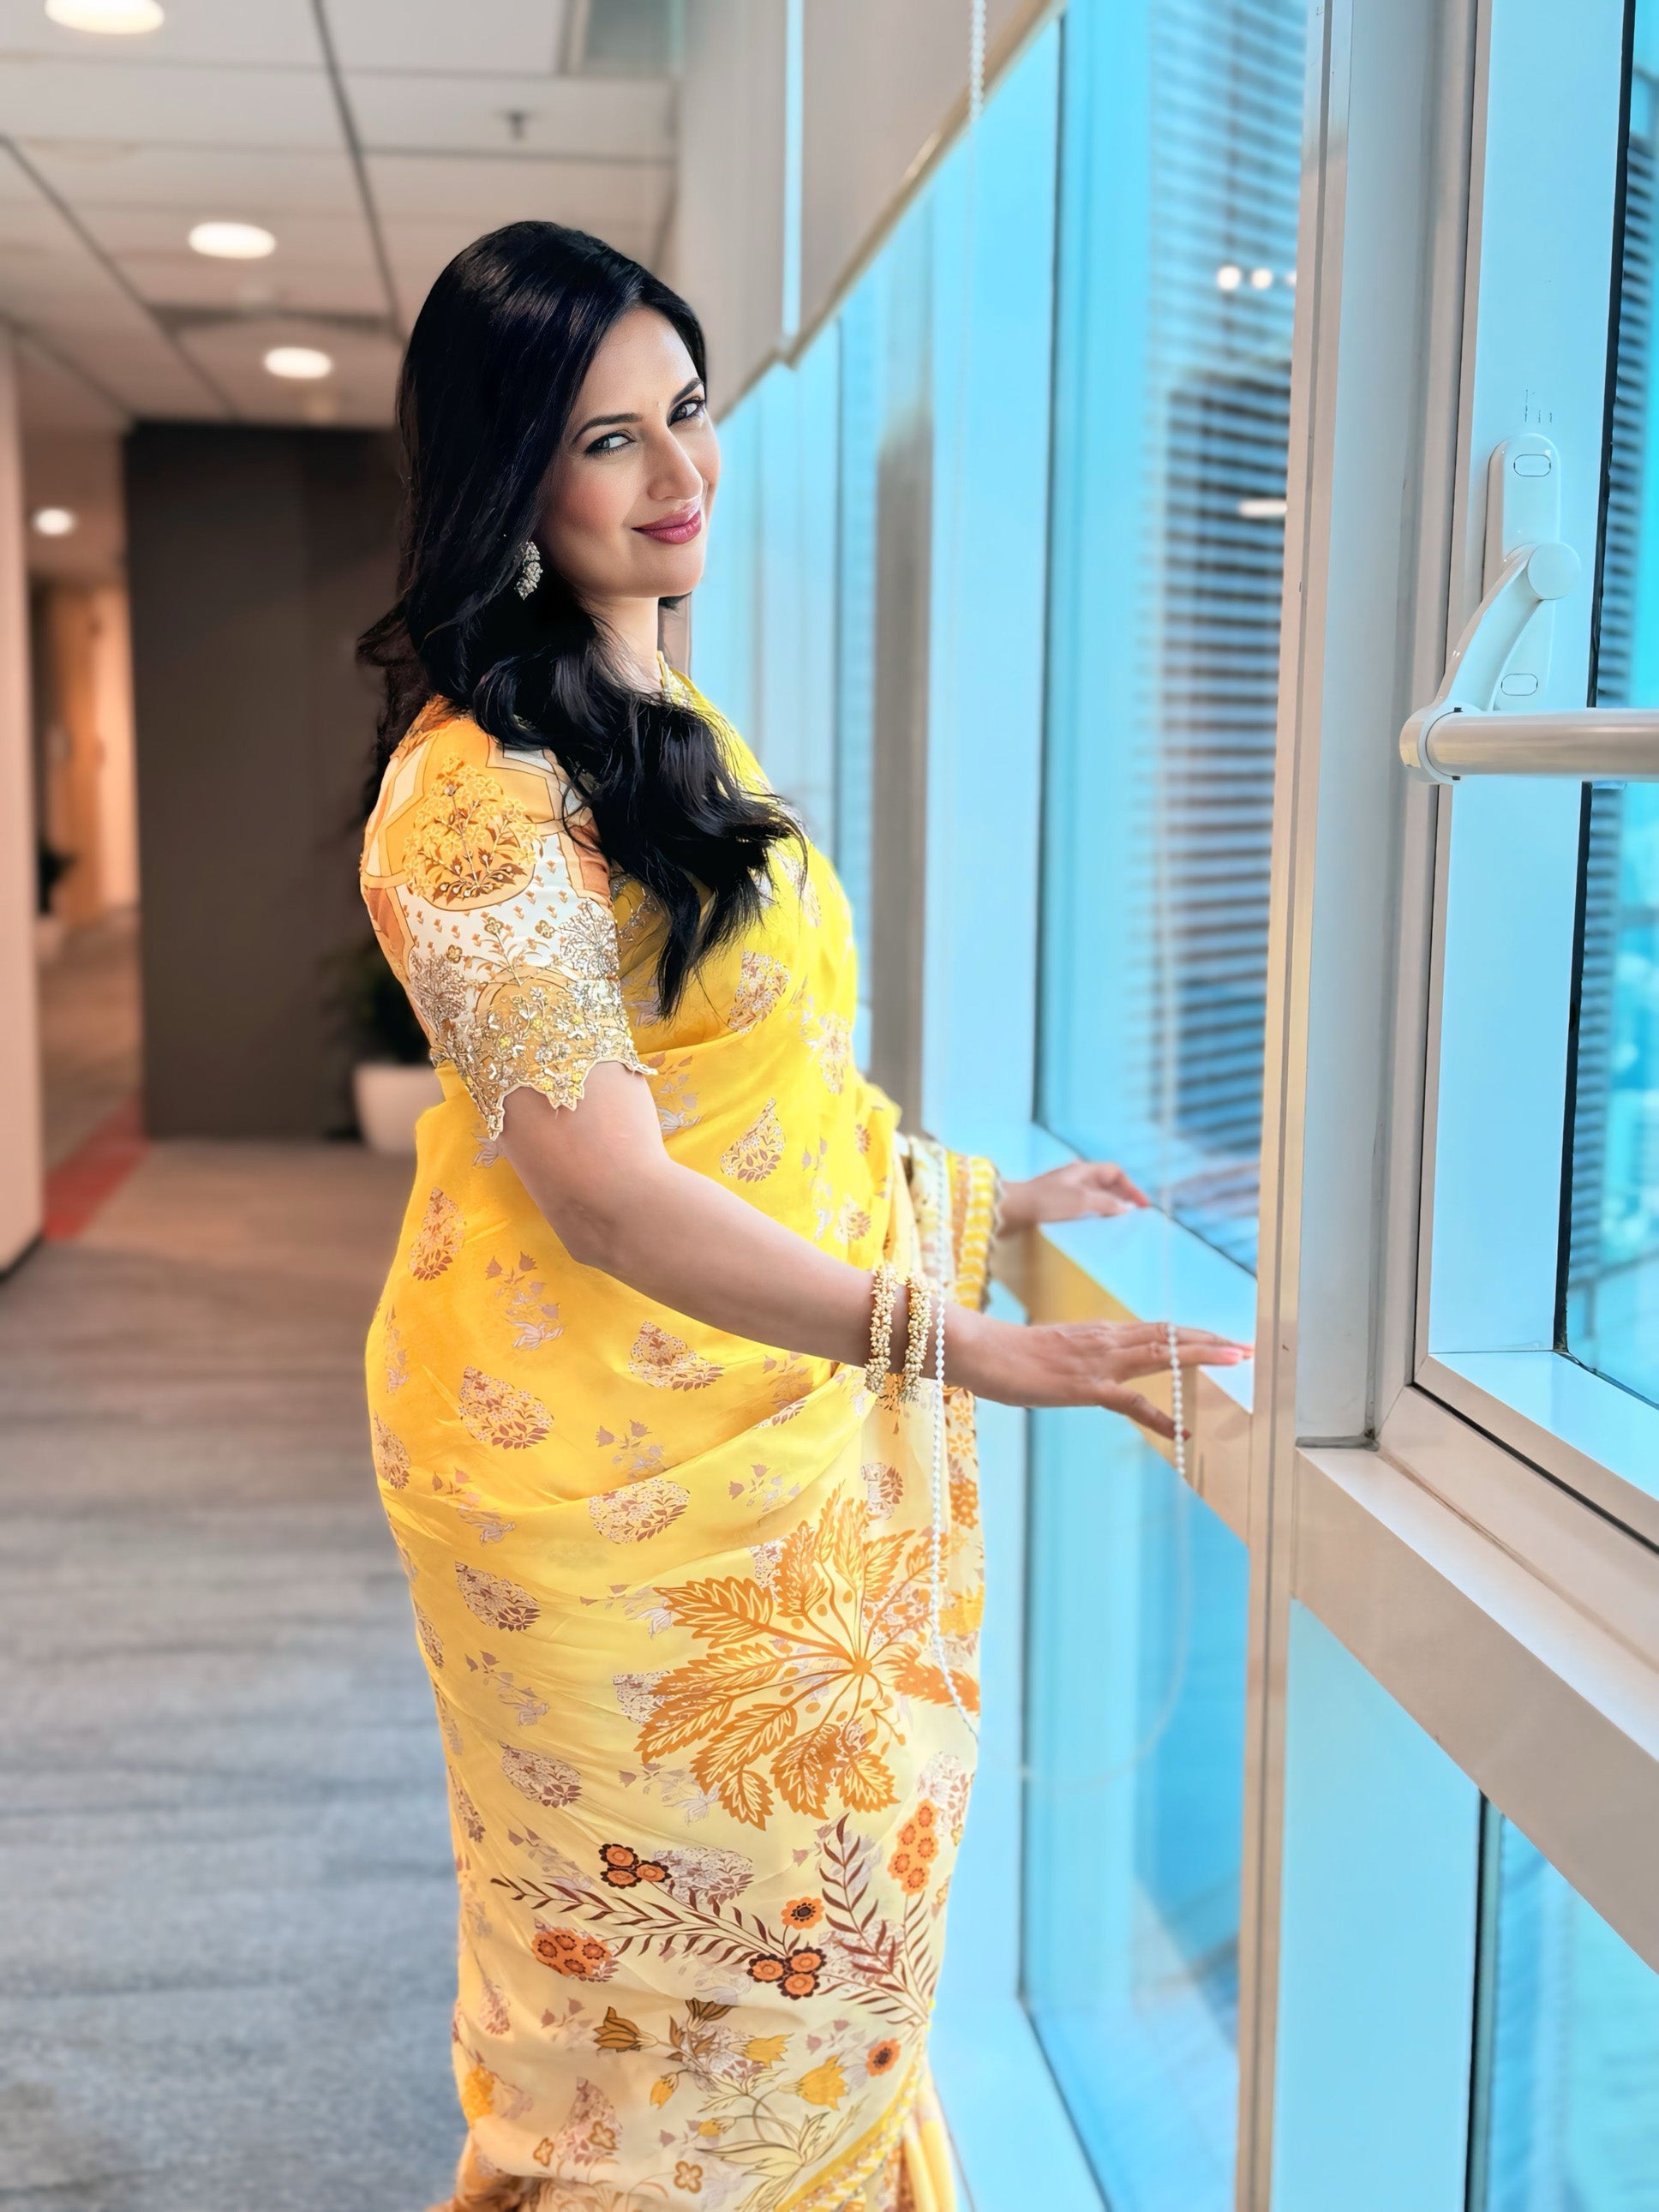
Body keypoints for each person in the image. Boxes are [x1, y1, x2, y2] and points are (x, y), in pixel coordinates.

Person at [357, 220, 1249, 2212]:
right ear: (509, 475)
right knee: (680, 2030)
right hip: (598, 1475)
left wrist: (975, 1200)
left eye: (688, 410)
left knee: (823, 1983)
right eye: (608, 441)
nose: (681, 473)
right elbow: (609, 1195)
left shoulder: (659, 717)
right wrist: (962, 1335)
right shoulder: (474, 805)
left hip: (758, 1436)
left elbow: (747, 1084)